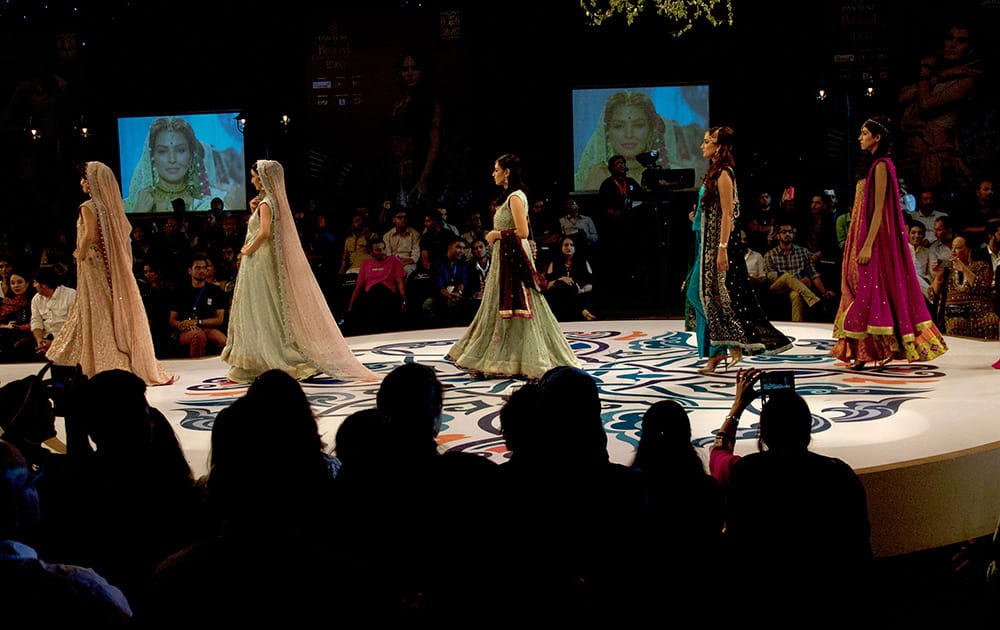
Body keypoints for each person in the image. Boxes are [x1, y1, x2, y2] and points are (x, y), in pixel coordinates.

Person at [221, 159, 380, 384]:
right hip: (259, 260)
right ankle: (261, 355)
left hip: (258, 259)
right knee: (265, 306)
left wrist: (247, 249)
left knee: (262, 306)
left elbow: (265, 233)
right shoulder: (268, 202)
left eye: (254, 175)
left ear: (263, 178)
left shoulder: (267, 203)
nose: (252, 180)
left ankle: (268, 356)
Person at [447, 154, 580, 380]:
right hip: (506, 257)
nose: (493, 173)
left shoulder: (516, 197)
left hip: (513, 258)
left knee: (524, 303)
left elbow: (524, 232)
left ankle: (527, 358)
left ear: (507, 172)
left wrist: (496, 234)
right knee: (500, 305)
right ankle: (506, 356)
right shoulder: (510, 197)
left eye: (496, 169)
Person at [831, 116, 949, 370]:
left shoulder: (882, 166)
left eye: (864, 133)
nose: (860, 138)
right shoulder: (870, 166)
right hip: (859, 235)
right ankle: (865, 350)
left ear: (878, 137)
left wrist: (868, 244)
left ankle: (869, 352)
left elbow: (879, 210)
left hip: (871, 239)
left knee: (870, 292)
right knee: (856, 287)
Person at [45, 162, 174, 386]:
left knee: (96, 307)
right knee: (106, 305)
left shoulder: (88, 206)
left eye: (85, 179)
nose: (82, 183)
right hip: (104, 267)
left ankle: (100, 360)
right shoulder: (108, 208)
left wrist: (78, 253)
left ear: (94, 181)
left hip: (91, 264)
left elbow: (89, 235)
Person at [684, 126, 791, 374]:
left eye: (706, 141)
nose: (702, 145)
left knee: (701, 295)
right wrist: (697, 216)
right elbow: (711, 211)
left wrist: (722, 248)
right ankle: (719, 350)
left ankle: (729, 342)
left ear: (719, 146)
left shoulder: (724, 174)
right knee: (702, 296)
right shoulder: (713, 172)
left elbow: (728, 214)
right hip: (704, 243)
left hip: (716, 247)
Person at [574, 90, 703, 191]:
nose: (629, 135)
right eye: (619, 126)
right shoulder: (592, 178)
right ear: (607, 133)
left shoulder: (674, 175)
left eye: (638, 125)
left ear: (651, 131)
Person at [124, 117, 239, 213]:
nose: (172, 159)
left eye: (180, 150)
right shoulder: (133, 204)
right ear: (152, 157)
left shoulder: (211, 201)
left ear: (191, 155)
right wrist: (138, 213)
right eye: (162, 151)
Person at [387, 50, 442, 210]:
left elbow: (434, 144)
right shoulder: (397, 103)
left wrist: (423, 178)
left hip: (419, 168)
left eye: (414, 68)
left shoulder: (429, 103)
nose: (410, 74)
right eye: (405, 69)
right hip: (397, 170)